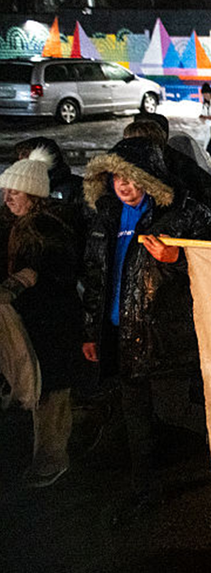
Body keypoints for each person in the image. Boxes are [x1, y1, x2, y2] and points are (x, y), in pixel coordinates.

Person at [80, 137, 211, 513]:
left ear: (149, 179)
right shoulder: (107, 216)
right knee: (135, 418)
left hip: (164, 337)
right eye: (116, 178)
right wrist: (93, 331)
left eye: (131, 178)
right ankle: (144, 490)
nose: (124, 186)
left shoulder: (178, 214)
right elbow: (97, 275)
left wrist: (177, 257)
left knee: (176, 411)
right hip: (120, 335)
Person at [0, 151, 83, 487]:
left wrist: (13, 287)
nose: (8, 198)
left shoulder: (46, 229)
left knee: (50, 393)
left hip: (53, 323)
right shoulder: (19, 224)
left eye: (15, 192)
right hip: (33, 321)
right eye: (6, 191)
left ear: (33, 194)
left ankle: (52, 461)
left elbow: (42, 270)